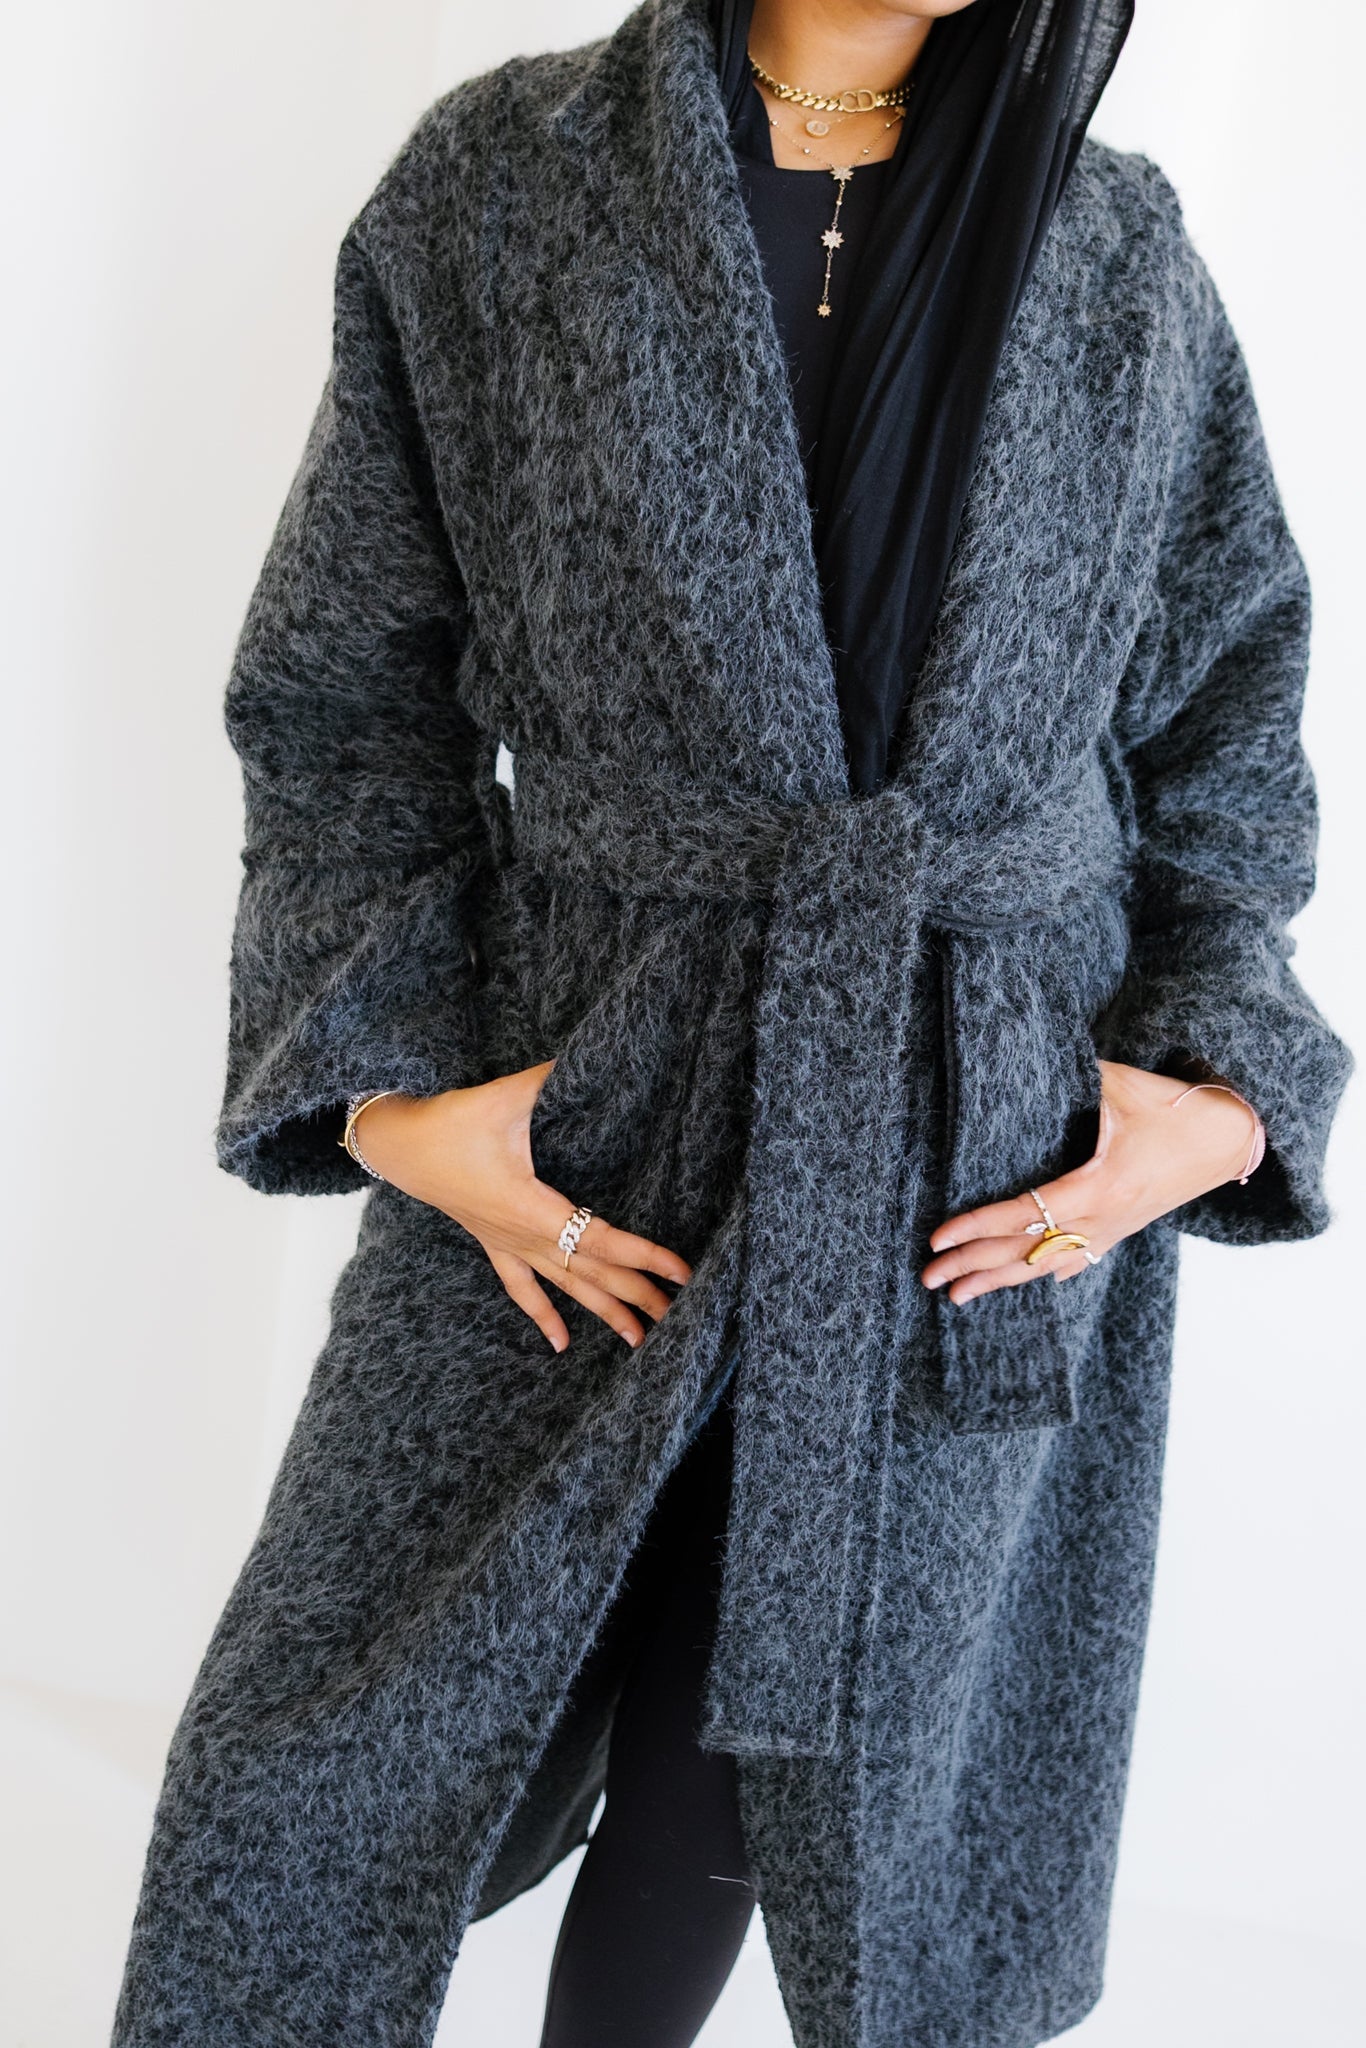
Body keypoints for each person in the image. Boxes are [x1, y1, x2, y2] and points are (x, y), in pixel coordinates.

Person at [111, 2, 1351, 2045]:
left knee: (755, 1723)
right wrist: (387, 1090)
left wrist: (1220, 1087)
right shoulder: (501, 186)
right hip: (600, 1089)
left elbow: (1226, 702)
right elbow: (343, 693)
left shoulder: (1106, 235)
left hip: (977, 1125)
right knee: (317, 1754)